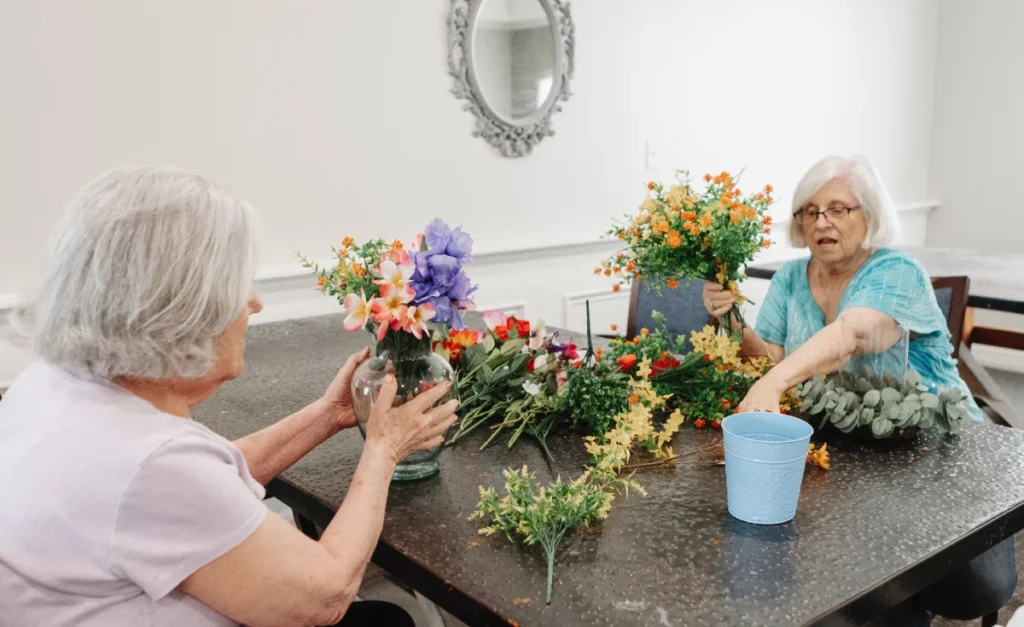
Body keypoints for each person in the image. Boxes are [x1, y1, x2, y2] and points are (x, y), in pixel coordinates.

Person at [0, 166, 458, 627]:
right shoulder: (150, 465)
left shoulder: (49, 384)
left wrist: (326, 415)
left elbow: (198, 489)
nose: (255, 302)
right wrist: (384, 449)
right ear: (181, 308)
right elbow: (325, 594)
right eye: (237, 283)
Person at [702, 155, 1015, 624]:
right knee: (852, 580)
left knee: (969, 590)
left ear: (869, 214)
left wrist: (774, 379)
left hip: (943, 461)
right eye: (809, 211)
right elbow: (770, 359)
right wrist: (729, 318)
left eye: (838, 209)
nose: (821, 221)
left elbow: (848, 338)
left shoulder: (896, 271)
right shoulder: (791, 277)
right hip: (863, 459)